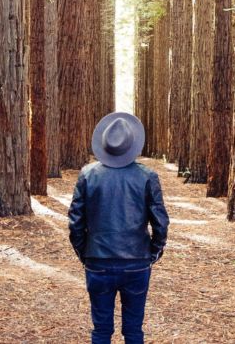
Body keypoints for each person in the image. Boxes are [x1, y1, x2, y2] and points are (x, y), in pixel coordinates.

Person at [68, 112, 170, 344]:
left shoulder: (88, 175)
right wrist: (152, 251)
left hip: (99, 262)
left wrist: (86, 252)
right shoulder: (147, 176)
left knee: (101, 330)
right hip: (136, 262)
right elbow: (160, 222)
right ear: (131, 146)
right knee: (134, 331)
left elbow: (75, 222)